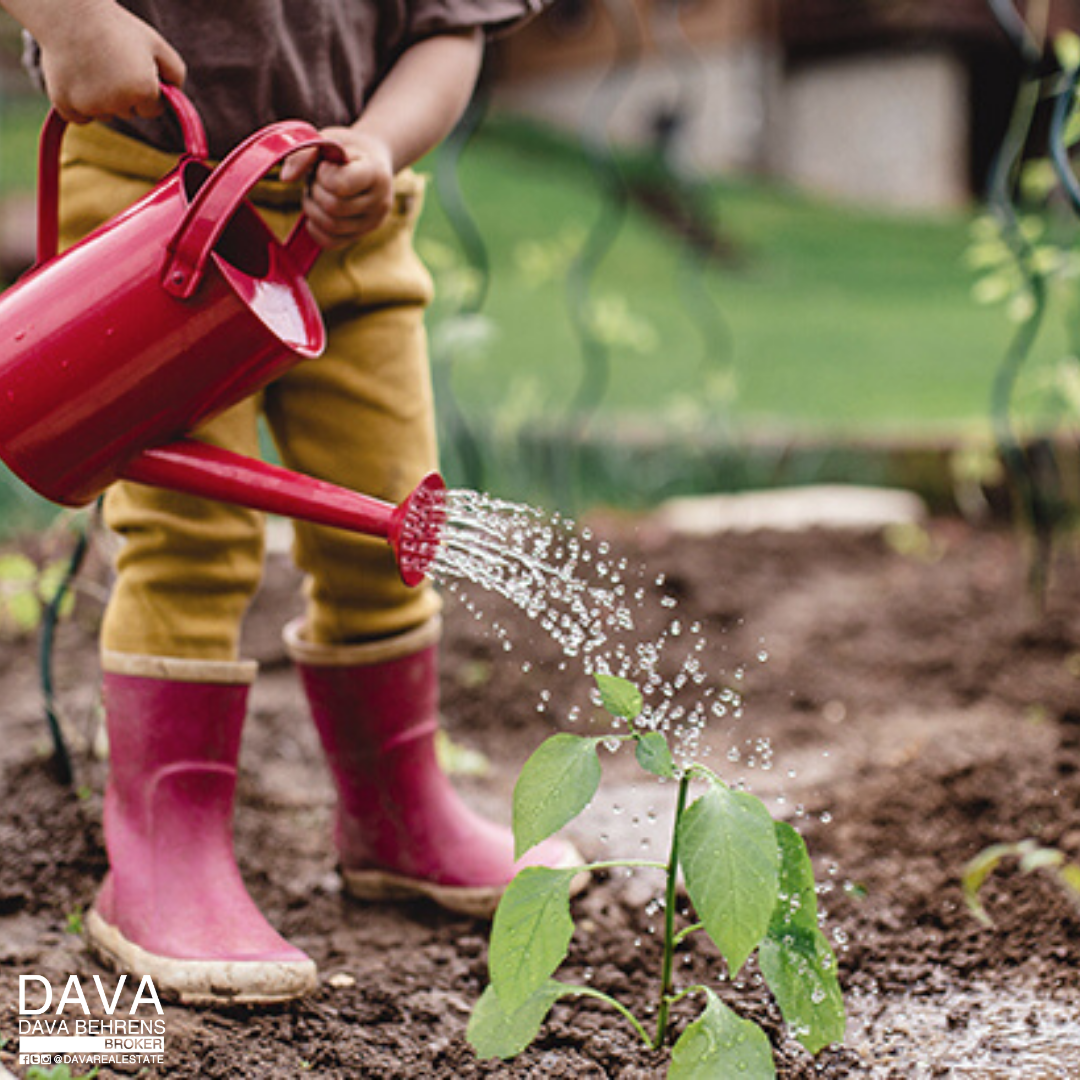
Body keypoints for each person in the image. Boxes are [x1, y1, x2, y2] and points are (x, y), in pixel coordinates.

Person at [1, 0, 579, 1005]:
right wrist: (72, 18)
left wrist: (380, 146)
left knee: (391, 519)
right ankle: (160, 858)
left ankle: (399, 811)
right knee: (192, 538)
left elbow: (452, 29)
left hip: (349, 222)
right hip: (155, 211)